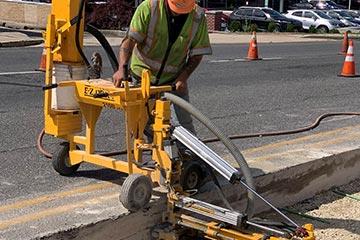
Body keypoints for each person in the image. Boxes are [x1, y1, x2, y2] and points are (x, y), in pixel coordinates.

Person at [112, 0, 212, 134]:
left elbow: (197, 54)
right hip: (142, 79)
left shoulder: (197, 16)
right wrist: (121, 69)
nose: (178, 13)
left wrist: (183, 77)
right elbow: (129, 41)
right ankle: (150, 152)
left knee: (184, 128)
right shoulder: (149, 7)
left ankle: (187, 153)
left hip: (173, 81)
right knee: (140, 129)